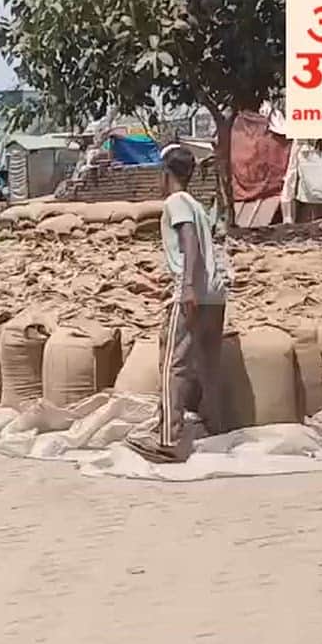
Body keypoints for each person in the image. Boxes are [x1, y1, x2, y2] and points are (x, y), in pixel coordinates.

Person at [125, 145, 229, 464]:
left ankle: (169, 440)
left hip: (193, 292)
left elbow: (190, 243)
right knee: (203, 364)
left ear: (166, 174)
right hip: (215, 292)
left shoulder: (176, 201)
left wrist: (185, 287)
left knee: (174, 364)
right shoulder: (197, 205)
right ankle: (213, 427)